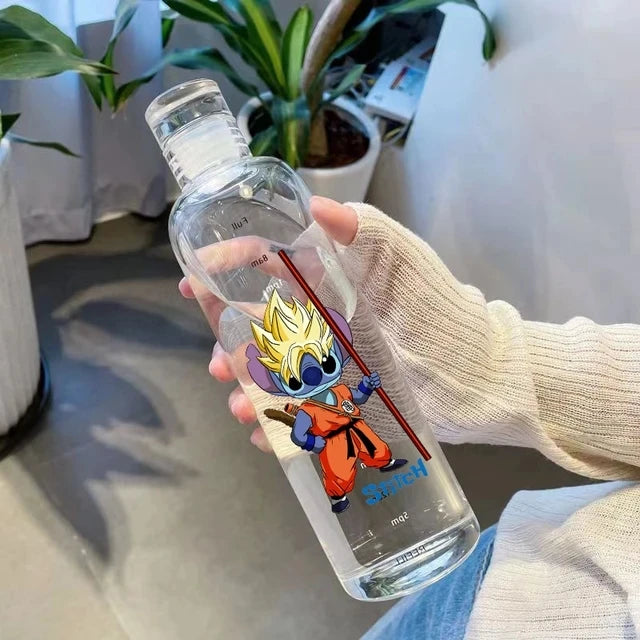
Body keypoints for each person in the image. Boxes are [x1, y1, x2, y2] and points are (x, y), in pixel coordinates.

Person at [179, 196, 640, 640]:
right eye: (304, 371)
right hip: (515, 570)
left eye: (324, 360)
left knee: (370, 450)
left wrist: (366, 391)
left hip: (523, 582)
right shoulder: (311, 402)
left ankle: (369, 472)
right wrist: (487, 362)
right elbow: (309, 422)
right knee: (339, 472)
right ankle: (341, 494)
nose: (318, 373)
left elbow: (350, 392)